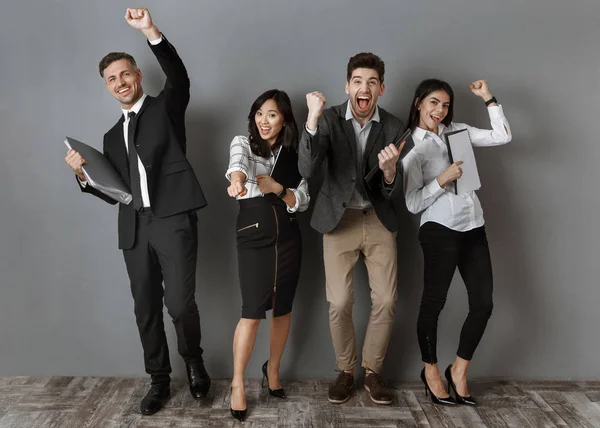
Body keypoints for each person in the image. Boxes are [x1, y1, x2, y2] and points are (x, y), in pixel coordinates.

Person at [64, 8, 210, 415]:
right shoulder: (111, 136)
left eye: (125, 74)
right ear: (107, 87)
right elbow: (116, 194)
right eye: (111, 79)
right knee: (145, 307)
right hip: (134, 228)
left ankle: (194, 362)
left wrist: (150, 31)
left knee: (180, 304)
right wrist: (83, 176)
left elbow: (179, 76)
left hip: (173, 219)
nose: (120, 82)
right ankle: (159, 380)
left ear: (138, 76)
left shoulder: (166, 108)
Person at [298, 53, 410, 405]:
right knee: (340, 300)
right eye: (358, 81)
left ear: (381, 89)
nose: (364, 88)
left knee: (387, 300)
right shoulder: (328, 120)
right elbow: (307, 167)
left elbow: (393, 188)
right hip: (338, 219)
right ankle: (346, 371)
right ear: (347, 87)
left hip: (378, 219)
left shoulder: (392, 126)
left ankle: (373, 371)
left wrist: (391, 171)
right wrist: (312, 120)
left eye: (372, 82)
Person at [402, 78, 512, 406]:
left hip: (473, 224)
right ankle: (431, 371)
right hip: (438, 227)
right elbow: (412, 203)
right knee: (433, 303)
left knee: (483, 303)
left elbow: (503, 135)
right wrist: (441, 180)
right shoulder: (410, 146)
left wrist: (488, 98)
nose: (440, 110)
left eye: (445, 104)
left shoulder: (457, 131)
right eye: (433, 102)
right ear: (419, 102)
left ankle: (459, 370)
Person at [225, 89, 310, 421]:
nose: (264, 120)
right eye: (259, 113)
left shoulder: (294, 154)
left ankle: (273, 369)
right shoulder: (244, 143)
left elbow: (302, 198)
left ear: (284, 119)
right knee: (251, 312)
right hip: (254, 234)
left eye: (272, 114)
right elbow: (238, 167)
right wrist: (237, 182)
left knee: (284, 308)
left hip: (289, 237)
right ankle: (237, 384)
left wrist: (279, 189)